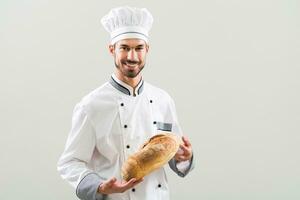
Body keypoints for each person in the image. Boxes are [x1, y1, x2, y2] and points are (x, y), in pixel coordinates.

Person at [57, 6, 194, 200]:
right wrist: (100, 186)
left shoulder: (164, 99)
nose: (132, 56)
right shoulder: (91, 105)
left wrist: (184, 157)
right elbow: (70, 162)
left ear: (147, 49)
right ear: (112, 49)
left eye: (138, 48)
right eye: (124, 48)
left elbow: (170, 152)